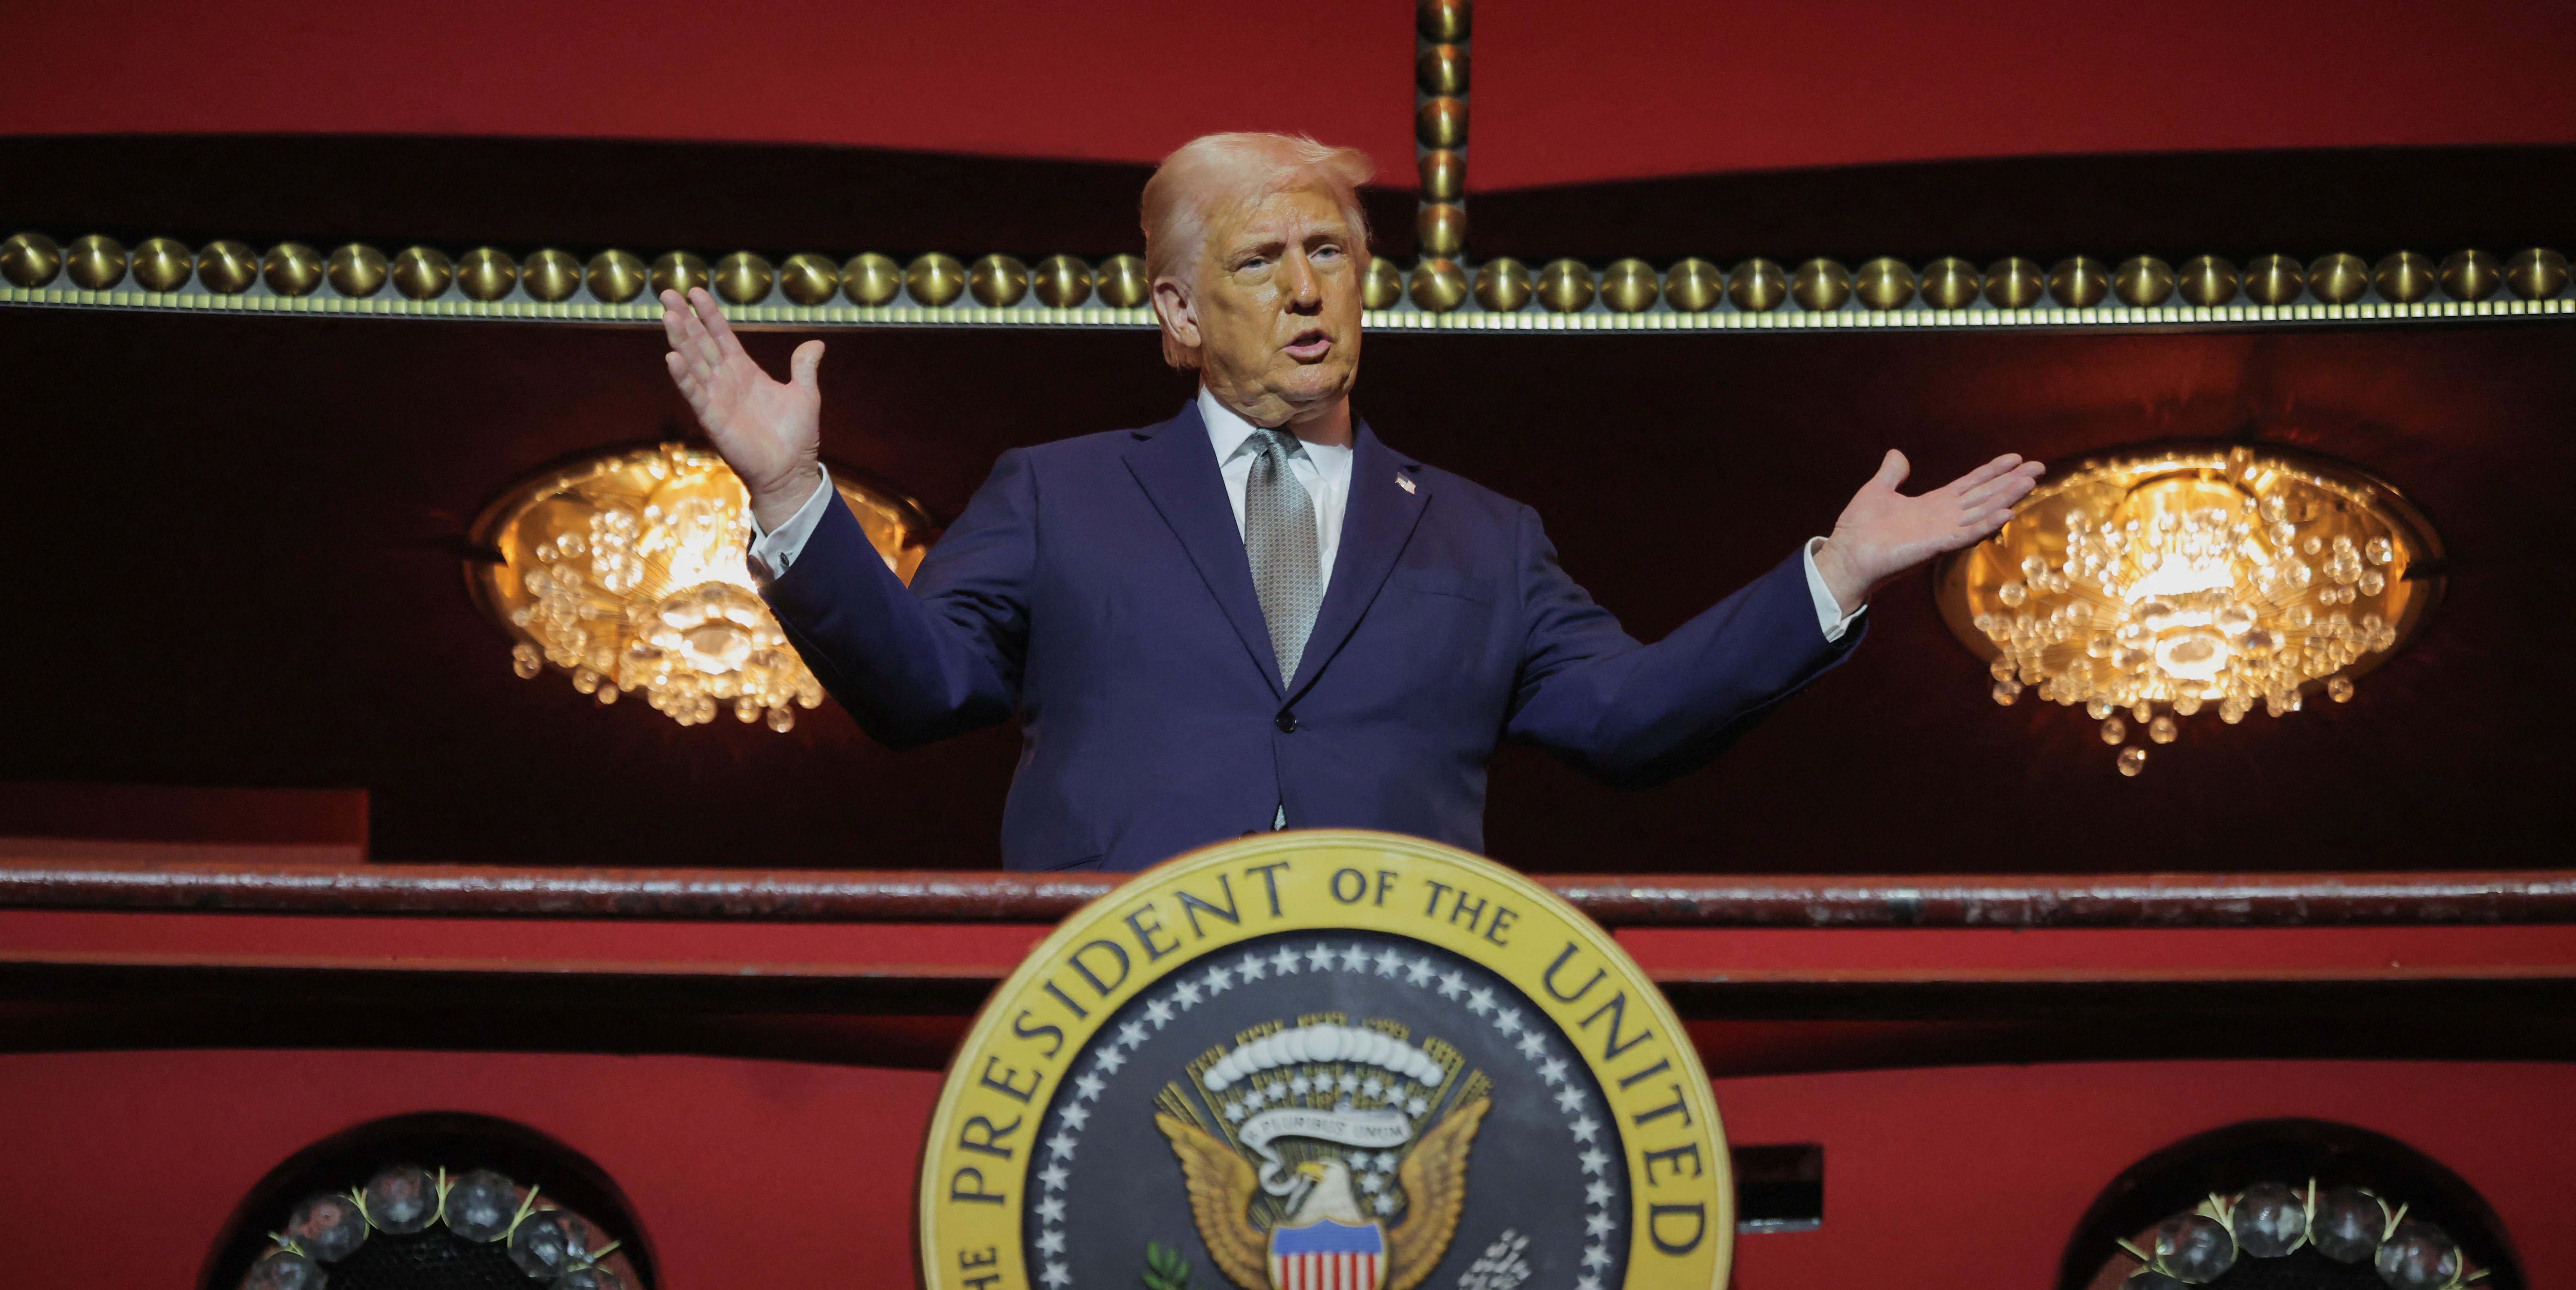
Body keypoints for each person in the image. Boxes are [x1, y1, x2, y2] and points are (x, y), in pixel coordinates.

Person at [660, 132, 2039, 872]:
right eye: (1261, 260)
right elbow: (920, 693)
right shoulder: (1058, 493)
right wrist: (788, 486)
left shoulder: (1481, 535)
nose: (1308, 288)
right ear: (1179, 314)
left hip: (1391, 1008)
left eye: (1332, 251)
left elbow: (1629, 723)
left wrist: (1837, 575)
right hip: (1108, 990)